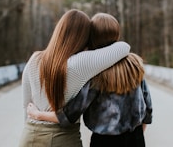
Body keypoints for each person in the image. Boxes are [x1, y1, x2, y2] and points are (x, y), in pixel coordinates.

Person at [27, 13, 152, 147]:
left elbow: (70, 114)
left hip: (104, 141)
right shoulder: (134, 65)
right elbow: (147, 105)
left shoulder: (96, 71)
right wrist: (139, 133)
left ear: (92, 37)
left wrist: (38, 115)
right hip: (136, 137)